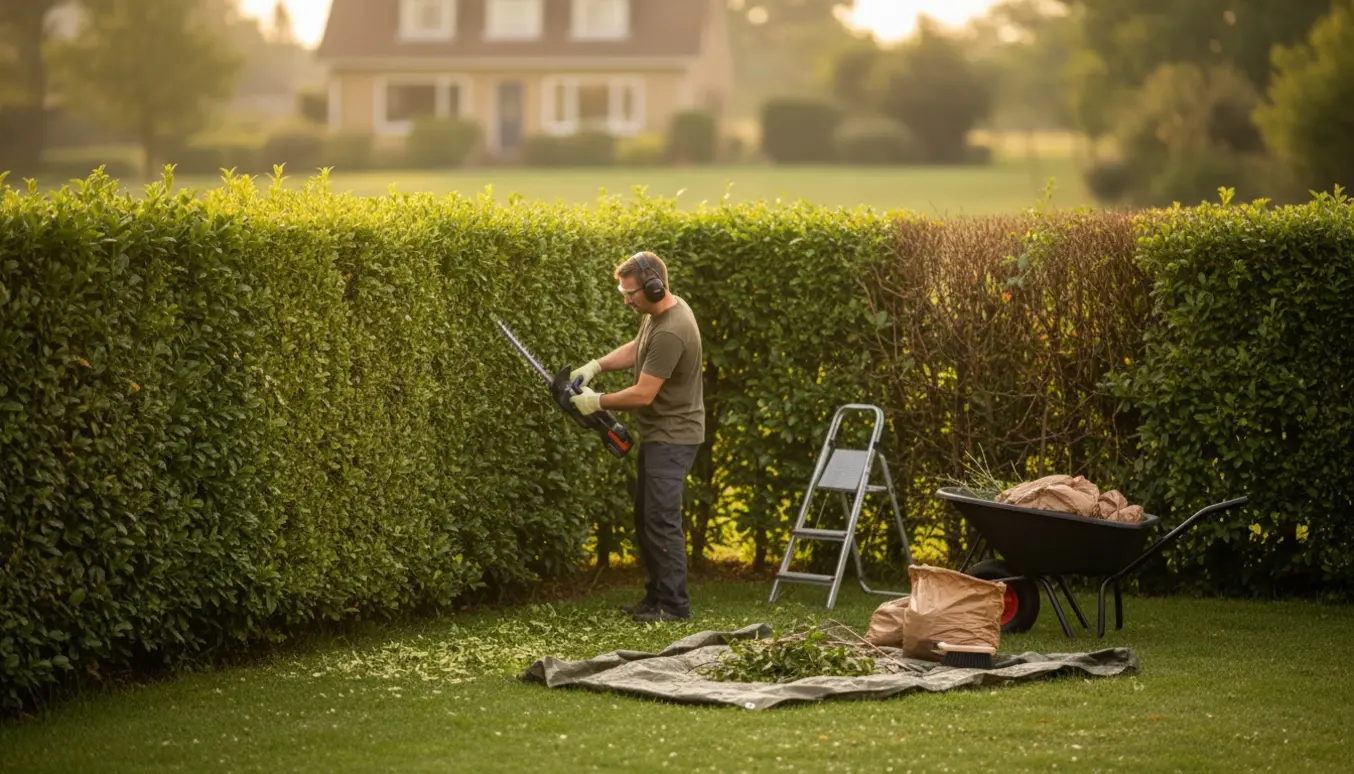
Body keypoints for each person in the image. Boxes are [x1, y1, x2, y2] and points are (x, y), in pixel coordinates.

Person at [568, 251, 705, 623]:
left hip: (674, 436)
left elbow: (644, 394)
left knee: (662, 520)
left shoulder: (673, 328)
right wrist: (595, 366)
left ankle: (674, 607)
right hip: (660, 433)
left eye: (631, 293)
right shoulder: (656, 316)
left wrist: (596, 402)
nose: (626, 299)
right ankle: (656, 597)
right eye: (623, 291)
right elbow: (637, 350)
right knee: (647, 518)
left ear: (655, 288)